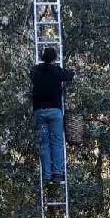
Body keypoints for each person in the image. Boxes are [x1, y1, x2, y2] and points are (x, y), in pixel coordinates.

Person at [31, 46, 74, 183]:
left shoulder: (36, 71)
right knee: (56, 141)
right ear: (54, 58)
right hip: (54, 112)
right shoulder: (56, 71)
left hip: (39, 112)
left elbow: (31, 74)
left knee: (44, 143)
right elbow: (70, 76)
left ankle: (47, 175)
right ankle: (57, 173)